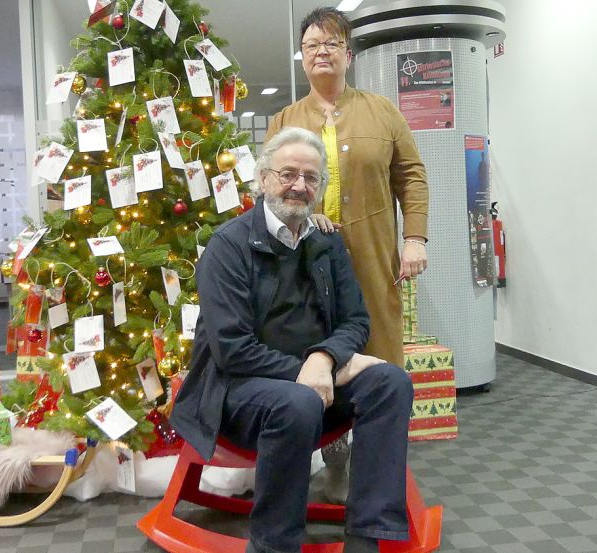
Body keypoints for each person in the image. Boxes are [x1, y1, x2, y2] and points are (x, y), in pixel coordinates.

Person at [170, 127, 415, 553]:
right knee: (297, 400)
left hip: (317, 380)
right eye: (287, 174)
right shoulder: (227, 247)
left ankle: (368, 537)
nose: (299, 185)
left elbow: (356, 319)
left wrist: (325, 359)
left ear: (320, 187)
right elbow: (231, 349)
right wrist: (312, 371)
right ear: (263, 179)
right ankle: (273, 544)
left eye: (311, 177)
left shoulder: (327, 242)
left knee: (391, 382)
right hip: (237, 391)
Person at [264, 6, 430, 502]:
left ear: (348, 54)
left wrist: (415, 238)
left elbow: (412, 176)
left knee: (381, 358)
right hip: (306, 266)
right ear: (302, 57)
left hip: (375, 259)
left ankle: (383, 477)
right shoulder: (285, 120)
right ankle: (336, 472)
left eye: (331, 44)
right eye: (312, 44)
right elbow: (271, 190)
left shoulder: (383, 111)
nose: (321, 52)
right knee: (323, 360)